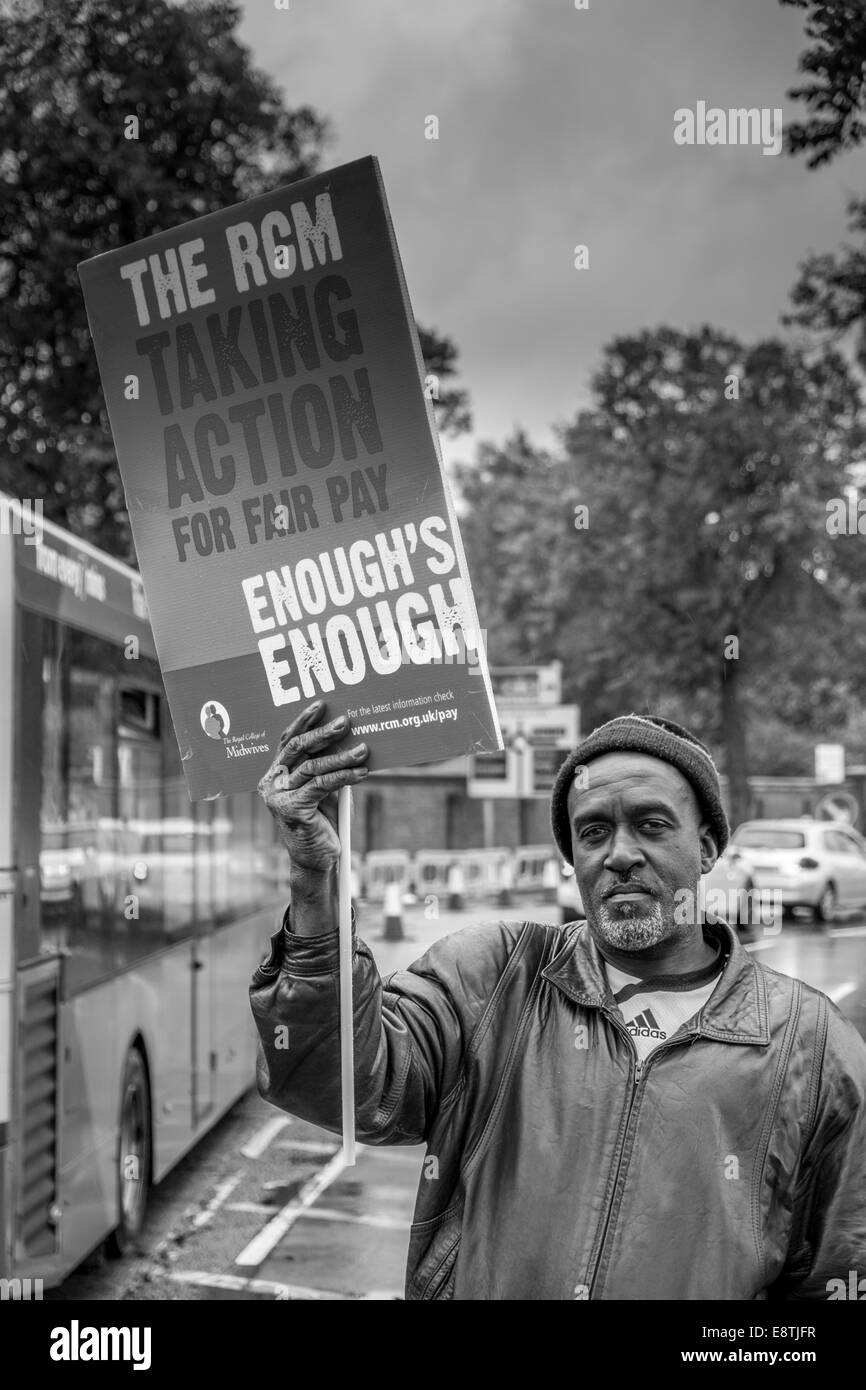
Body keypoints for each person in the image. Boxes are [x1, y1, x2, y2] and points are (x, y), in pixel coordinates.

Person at [250, 701, 866, 1300]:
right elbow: (333, 1079)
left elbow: (838, 1272)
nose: (620, 854)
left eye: (652, 824)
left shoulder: (810, 1044)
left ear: (707, 847)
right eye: (593, 831)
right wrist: (316, 883)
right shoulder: (495, 977)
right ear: (573, 857)